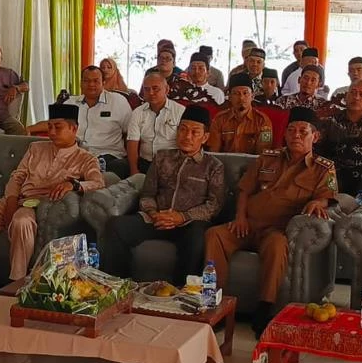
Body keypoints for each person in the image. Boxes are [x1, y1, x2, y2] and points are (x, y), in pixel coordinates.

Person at [204, 106, 336, 335]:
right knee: (214, 234)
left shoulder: (323, 168)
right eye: (291, 130)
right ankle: (216, 305)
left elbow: (330, 196)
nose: (296, 135)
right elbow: (244, 190)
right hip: (248, 224)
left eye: (303, 131)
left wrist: (320, 203)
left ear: (315, 136)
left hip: (276, 230)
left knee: (277, 246)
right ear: (284, 134)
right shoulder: (267, 157)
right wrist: (240, 217)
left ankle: (265, 309)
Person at [0, 105, 105, 280]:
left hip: (39, 205)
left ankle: (17, 281)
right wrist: (11, 200)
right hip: (16, 198)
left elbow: (98, 182)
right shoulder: (36, 148)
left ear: (74, 129)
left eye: (57, 127)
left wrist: (73, 185)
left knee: (22, 221)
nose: (51, 132)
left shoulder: (85, 158)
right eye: (49, 126)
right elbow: (17, 177)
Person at [100, 107, 225, 285]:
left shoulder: (213, 166)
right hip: (156, 219)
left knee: (197, 238)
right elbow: (148, 194)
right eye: (183, 129)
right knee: (116, 226)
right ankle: (118, 287)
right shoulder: (162, 158)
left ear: (205, 137)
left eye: (194, 132)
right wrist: (154, 213)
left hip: (189, 224)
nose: (187, 136)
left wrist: (181, 217)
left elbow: (213, 205)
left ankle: (180, 295)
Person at [59, 66, 133, 179]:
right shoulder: (70, 103)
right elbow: (56, 127)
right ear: (81, 83)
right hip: (76, 154)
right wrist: (29, 129)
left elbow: (131, 133)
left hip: (109, 156)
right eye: (86, 81)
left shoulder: (118, 102)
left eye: (95, 81)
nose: (91, 84)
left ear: (103, 82)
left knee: (119, 167)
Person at [128, 72, 186, 175]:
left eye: (155, 88)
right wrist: (134, 170)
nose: (151, 93)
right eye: (146, 89)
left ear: (166, 89)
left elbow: (185, 143)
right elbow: (132, 143)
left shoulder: (180, 111)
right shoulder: (137, 112)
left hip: (171, 165)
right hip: (145, 163)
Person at [209, 74, 274, 154]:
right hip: (224, 164)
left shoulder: (263, 121)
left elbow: (263, 153)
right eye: (236, 93)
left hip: (254, 165)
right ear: (229, 97)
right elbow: (214, 152)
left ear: (252, 96)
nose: (241, 98)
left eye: (245, 93)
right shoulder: (219, 119)